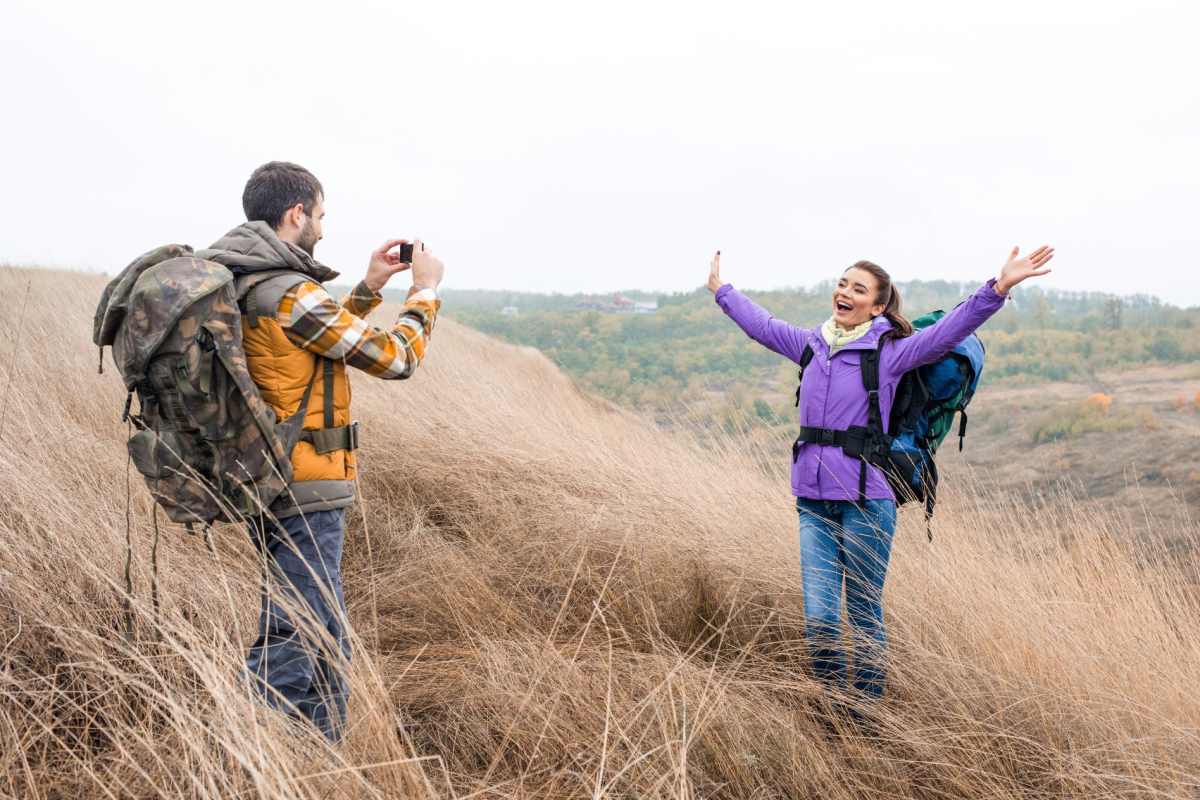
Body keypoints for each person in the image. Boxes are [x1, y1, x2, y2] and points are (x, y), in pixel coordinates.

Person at [707, 245, 1054, 716]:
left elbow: (953, 329)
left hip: (866, 501)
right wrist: (722, 291)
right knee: (821, 621)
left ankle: (865, 718)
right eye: (843, 283)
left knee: (863, 614)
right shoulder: (812, 344)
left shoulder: (890, 354)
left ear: (878, 306)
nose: (844, 291)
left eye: (858, 288)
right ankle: (833, 715)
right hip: (812, 501)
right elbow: (763, 326)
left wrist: (998, 288)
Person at [197, 161, 445, 740]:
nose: (323, 229)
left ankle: (318, 762)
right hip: (304, 486)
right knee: (297, 631)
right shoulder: (288, 290)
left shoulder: (244, 280)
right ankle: (250, 758)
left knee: (325, 634)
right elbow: (395, 359)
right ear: (296, 214)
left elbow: (306, 347)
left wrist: (369, 289)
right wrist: (424, 293)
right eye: (321, 215)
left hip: (266, 473)